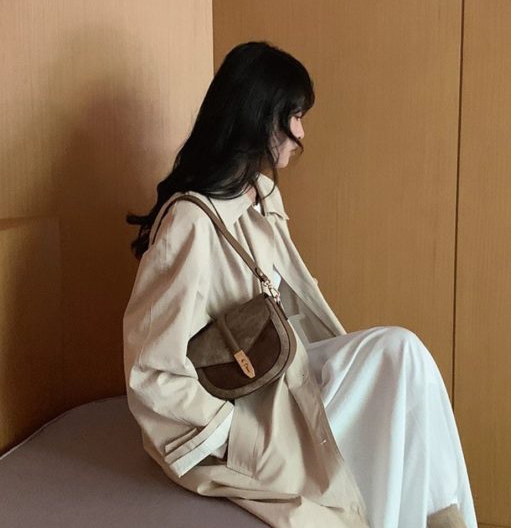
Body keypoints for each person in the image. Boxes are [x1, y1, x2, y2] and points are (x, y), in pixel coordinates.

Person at [123, 41, 478, 528]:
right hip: (244, 410)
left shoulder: (261, 196)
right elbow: (151, 371)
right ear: (259, 116)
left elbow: (293, 309)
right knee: (400, 356)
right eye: (293, 116)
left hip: (286, 377)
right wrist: (235, 436)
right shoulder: (190, 223)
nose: (301, 132)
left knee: (405, 362)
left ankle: (444, 520)